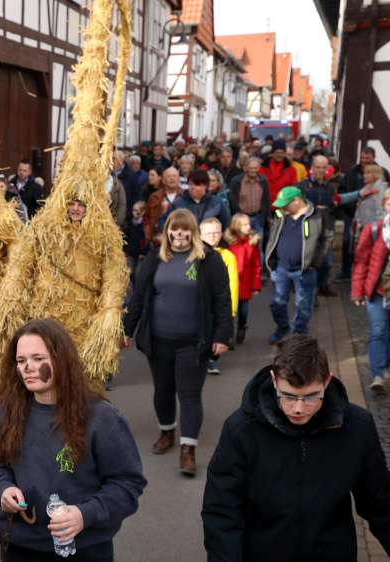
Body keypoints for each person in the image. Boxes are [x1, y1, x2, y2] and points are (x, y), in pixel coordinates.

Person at [202, 335, 390, 562]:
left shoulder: (357, 428)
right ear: (274, 380)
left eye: (310, 397)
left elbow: (380, 504)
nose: (298, 409)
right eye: (288, 396)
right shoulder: (241, 430)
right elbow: (222, 512)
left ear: (327, 381)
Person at [0, 318, 146, 562]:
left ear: (61, 359)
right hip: (20, 546)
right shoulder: (7, 412)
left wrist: (84, 514)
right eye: (21, 360)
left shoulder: (101, 418)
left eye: (38, 359)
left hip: (85, 549)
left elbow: (127, 484)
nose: (27, 367)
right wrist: (3, 488)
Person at [123, 209, 232, 476]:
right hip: (158, 340)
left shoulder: (208, 260)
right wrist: (127, 330)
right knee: (163, 390)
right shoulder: (155, 257)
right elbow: (138, 297)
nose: (179, 235)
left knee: (189, 394)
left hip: (193, 343)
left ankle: (188, 450)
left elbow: (222, 298)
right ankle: (167, 432)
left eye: (185, 230)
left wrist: (221, 336)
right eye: (175, 229)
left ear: (192, 232)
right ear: (168, 231)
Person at [265, 187, 334, 344]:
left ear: (296, 201)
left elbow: (327, 238)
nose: (281, 207)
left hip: (304, 270)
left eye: (285, 204)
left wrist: (315, 261)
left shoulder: (317, 215)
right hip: (280, 268)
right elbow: (273, 235)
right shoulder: (280, 215)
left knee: (303, 304)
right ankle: (282, 328)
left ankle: (299, 333)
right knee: (277, 303)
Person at [351, 190, 390, 392]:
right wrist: (357, 291)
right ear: (385, 205)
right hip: (377, 291)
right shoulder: (374, 230)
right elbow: (361, 262)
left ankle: (386, 363)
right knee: (378, 330)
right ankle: (377, 374)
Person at [338, 148, 390, 281]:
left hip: (370, 230)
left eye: (367, 173)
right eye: (362, 158)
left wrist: (373, 232)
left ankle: (366, 282)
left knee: (366, 257)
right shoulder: (352, 173)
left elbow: (381, 212)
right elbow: (344, 192)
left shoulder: (379, 188)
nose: (364, 176)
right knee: (350, 245)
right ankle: (348, 273)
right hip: (355, 220)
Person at [199, 218, 238, 376]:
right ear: (200, 234)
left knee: (218, 330)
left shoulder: (227, 256)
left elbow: (233, 283)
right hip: (204, 302)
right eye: (209, 233)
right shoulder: (197, 255)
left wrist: (232, 308)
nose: (213, 236)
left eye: (216, 233)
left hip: (220, 301)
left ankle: (213, 360)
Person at [297, 154, 338, 298]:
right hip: (308, 228)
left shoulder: (331, 187)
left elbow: (335, 207)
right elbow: (296, 207)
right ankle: (309, 294)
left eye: (324, 168)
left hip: (326, 229)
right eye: (318, 167)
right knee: (309, 262)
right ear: (312, 168)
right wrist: (314, 208)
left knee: (326, 262)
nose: (321, 170)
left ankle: (322, 286)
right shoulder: (302, 186)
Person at [224, 213, 262, 344]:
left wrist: (256, 285)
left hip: (245, 284)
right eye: (245, 224)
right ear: (237, 226)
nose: (249, 226)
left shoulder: (252, 242)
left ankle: (242, 327)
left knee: (243, 310)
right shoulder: (229, 243)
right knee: (228, 311)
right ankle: (228, 335)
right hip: (230, 284)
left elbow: (256, 265)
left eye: (249, 224)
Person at [160, 169, 231, 229]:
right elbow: (163, 223)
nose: (192, 187)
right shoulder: (178, 203)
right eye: (190, 184)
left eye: (197, 185)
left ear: (205, 186)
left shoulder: (217, 202)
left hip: (210, 241)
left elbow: (226, 223)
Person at [227, 157, 270, 236]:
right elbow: (232, 200)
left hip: (258, 218)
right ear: (245, 168)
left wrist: (266, 217)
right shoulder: (236, 181)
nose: (253, 170)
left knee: (258, 243)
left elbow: (266, 199)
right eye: (251, 168)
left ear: (259, 168)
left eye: (255, 168)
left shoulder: (263, 180)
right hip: (242, 218)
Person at [260, 139, 300, 205]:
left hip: (283, 206)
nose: (280, 155)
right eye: (277, 152)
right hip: (264, 206)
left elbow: (293, 190)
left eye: (282, 153)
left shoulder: (291, 170)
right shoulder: (262, 168)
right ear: (272, 153)